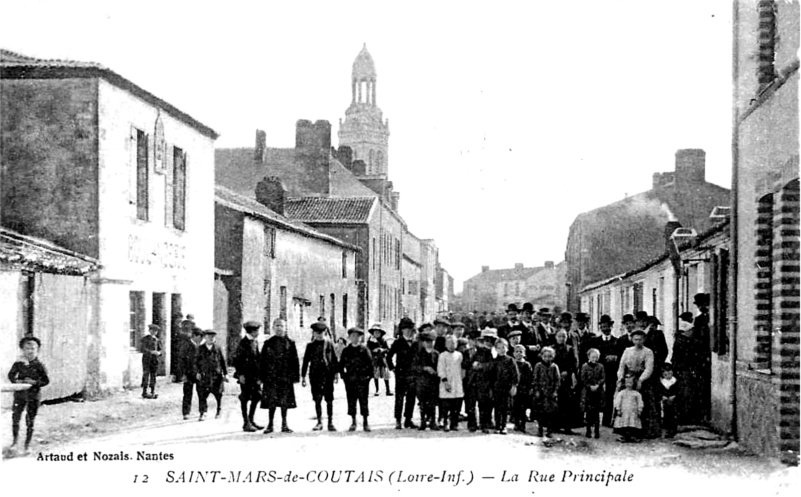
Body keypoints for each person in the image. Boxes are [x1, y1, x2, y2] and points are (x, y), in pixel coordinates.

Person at [8, 336, 49, 455]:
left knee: (30, 420)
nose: (30, 351)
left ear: (38, 350)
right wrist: (16, 381)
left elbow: (46, 381)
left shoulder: (39, 365)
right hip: (20, 394)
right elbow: (11, 375)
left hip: (33, 395)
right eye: (27, 348)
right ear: (22, 350)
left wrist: (35, 382)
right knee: (15, 418)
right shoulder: (19, 363)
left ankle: (27, 445)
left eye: (33, 348)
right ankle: (15, 442)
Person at [617, 329, 659, 438]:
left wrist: (641, 380)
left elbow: (649, 368)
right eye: (635, 339)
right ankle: (625, 430)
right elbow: (621, 366)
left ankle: (644, 431)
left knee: (644, 402)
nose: (638, 342)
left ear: (644, 339)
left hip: (642, 378)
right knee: (625, 402)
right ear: (632, 339)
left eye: (640, 339)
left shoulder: (648, 352)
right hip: (629, 377)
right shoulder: (627, 350)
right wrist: (620, 378)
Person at [260, 318, 300, 433]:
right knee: (271, 401)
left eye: (281, 326)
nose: (279, 328)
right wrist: (262, 377)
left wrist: (295, 377)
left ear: (285, 328)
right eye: (277, 325)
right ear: (273, 328)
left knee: (284, 402)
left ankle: (284, 424)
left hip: (285, 378)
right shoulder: (268, 343)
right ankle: (270, 424)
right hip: (271, 378)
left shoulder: (290, 343)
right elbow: (262, 361)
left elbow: (295, 361)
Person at [301, 322, 339, 432]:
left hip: (328, 375)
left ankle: (330, 422)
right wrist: (303, 376)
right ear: (313, 333)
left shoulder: (329, 344)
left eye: (321, 333)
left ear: (325, 332)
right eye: (317, 333)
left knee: (329, 399)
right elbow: (305, 361)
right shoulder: (310, 346)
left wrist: (336, 373)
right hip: (315, 375)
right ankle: (319, 422)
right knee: (317, 399)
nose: (319, 335)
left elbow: (334, 359)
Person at [339, 327, 373, 432]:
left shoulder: (364, 349)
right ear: (349, 337)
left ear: (361, 337)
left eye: (357, 336)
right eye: (353, 336)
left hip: (362, 380)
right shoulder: (346, 350)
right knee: (351, 401)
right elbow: (341, 365)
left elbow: (370, 365)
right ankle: (353, 422)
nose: (355, 338)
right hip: (350, 380)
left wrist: (368, 378)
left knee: (363, 400)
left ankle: (365, 422)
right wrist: (344, 377)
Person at [672, 311, 704, 424]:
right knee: (686, 394)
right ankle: (687, 418)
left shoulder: (681, 340)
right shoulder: (684, 342)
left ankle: (686, 417)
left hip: (683, 370)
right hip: (685, 371)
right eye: (691, 331)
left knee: (686, 394)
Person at [387, 317, 418, 429]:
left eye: (410, 328)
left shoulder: (416, 343)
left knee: (411, 397)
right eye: (405, 328)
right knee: (399, 397)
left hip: (413, 373)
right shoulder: (398, 342)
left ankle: (408, 419)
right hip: (401, 374)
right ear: (402, 330)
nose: (408, 331)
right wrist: (393, 368)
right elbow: (389, 356)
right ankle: (398, 420)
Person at [233, 321, 263, 432]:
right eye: (257, 331)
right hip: (245, 376)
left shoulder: (255, 342)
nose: (258, 333)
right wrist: (240, 374)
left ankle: (251, 420)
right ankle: (246, 422)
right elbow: (237, 360)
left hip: (254, 376)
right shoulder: (243, 343)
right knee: (245, 398)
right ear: (252, 331)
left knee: (257, 396)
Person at [590, 315, 619, 427]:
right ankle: (593, 420)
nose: (605, 329)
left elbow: (621, 356)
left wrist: (615, 357)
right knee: (595, 395)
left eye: (607, 326)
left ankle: (607, 421)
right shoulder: (595, 341)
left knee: (610, 395)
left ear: (611, 327)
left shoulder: (617, 341)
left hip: (612, 372)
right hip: (597, 372)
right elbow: (591, 356)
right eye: (603, 326)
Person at [195, 329, 228, 421]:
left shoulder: (218, 348)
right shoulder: (200, 348)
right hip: (204, 375)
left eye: (213, 337)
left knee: (218, 394)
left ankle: (219, 410)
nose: (211, 339)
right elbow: (196, 362)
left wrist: (225, 374)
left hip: (216, 375)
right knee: (202, 394)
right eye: (209, 337)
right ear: (205, 337)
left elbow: (223, 361)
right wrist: (197, 372)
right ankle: (203, 412)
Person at [491, 338, 519, 435]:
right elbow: (491, 375)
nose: (501, 350)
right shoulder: (494, 361)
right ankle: (497, 425)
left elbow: (515, 374)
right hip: (496, 388)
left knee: (505, 408)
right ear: (496, 349)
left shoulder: (510, 360)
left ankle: (504, 425)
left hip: (506, 388)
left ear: (507, 348)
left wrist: (514, 385)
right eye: (499, 348)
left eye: (503, 347)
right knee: (497, 407)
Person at [414, 330, 440, 431]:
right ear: (423, 343)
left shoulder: (436, 354)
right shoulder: (419, 354)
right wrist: (425, 368)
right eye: (427, 341)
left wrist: (437, 372)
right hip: (422, 381)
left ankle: (433, 421)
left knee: (433, 402)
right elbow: (414, 367)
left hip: (433, 381)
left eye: (432, 341)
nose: (430, 343)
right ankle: (423, 421)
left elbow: (441, 366)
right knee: (422, 402)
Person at [437, 335, 464, 432]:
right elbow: (441, 369)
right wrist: (445, 381)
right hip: (447, 382)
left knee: (456, 404)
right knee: (446, 404)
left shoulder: (459, 355)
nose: (451, 345)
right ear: (445, 344)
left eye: (453, 343)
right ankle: (445, 422)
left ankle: (454, 423)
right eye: (449, 343)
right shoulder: (443, 355)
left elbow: (461, 368)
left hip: (457, 382)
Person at [552, 329, 577, 434]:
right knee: (555, 402)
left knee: (566, 402)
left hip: (566, 379)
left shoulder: (570, 349)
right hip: (554, 378)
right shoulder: (551, 348)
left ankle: (567, 427)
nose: (562, 338)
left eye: (564, 336)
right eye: (560, 336)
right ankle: (554, 426)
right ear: (556, 337)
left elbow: (574, 363)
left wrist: (568, 371)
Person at [473, 328, 498, 433]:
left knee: (491, 402)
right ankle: (484, 423)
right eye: (486, 340)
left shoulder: (495, 351)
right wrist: (485, 366)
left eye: (491, 340)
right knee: (483, 403)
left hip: (494, 380)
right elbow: (476, 365)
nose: (488, 342)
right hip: (483, 381)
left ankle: (489, 421)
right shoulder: (479, 352)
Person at [532, 346, 560, 438]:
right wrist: (536, 390)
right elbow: (535, 379)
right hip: (541, 392)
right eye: (545, 356)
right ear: (542, 356)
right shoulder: (538, 366)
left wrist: (555, 391)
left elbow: (557, 380)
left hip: (551, 393)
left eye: (549, 356)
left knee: (550, 412)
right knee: (540, 411)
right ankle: (540, 429)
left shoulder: (554, 367)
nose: (547, 358)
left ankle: (549, 430)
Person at [178, 322, 202, 420]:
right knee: (187, 393)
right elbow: (181, 361)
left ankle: (202, 411)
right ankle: (186, 413)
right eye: (200, 337)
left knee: (201, 393)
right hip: (188, 374)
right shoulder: (186, 346)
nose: (201, 339)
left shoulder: (200, 346)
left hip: (199, 374)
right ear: (195, 336)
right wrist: (182, 374)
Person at [580, 348, 605, 439]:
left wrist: (598, 385)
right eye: (593, 357)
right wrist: (589, 386)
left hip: (598, 392)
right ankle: (588, 430)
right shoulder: (585, 366)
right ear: (589, 357)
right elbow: (583, 378)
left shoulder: (601, 366)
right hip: (588, 392)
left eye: (596, 357)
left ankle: (597, 431)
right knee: (588, 412)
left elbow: (603, 377)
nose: (595, 359)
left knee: (597, 412)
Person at [613, 374, 644, 443]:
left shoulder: (636, 394)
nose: (628, 384)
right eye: (627, 383)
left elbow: (640, 402)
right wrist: (618, 409)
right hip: (624, 411)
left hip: (633, 412)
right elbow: (618, 401)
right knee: (624, 424)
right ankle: (624, 436)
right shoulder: (622, 393)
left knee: (633, 424)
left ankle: (633, 436)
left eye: (630, 383)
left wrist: (639, 410)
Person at [511, 344, 533, 433]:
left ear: (524, 354)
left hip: (524, 388)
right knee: (515, 406)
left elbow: (530, 377)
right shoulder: (512, 363)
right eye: (517, 351)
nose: (519, 354)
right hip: (515, 387)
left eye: (521, 352)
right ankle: (516, 423)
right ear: (513, 353)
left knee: (523, 407)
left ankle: (522, 424)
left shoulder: (526, 364)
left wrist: (530, 387)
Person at [366, 323, 392, 396]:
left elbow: (388, 349)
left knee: (386, 375)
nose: (377, 334)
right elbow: (367, 350)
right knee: (376, 375)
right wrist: (374, 350)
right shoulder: (370, 341)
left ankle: (388, 390)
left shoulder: (383, 341)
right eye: (375, 332)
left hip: (383, 359)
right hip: (375, 360)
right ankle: (377, 390)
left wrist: (383, 349)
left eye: (378, 332)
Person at [140, 324, 162, 399]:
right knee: (146, 375)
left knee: (153, 376)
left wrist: (159, 353)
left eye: (156, 331)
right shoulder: (145, 339)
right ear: (149, 331)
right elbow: (142, 349)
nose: (154, 332)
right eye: (152, 330)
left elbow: (160, 350)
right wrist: (151, 352)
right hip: (146, 359)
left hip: (154, 360)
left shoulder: (157, 340)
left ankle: (152, 391)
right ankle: (144, 391)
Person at [658, 363, 679, 438]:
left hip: (673, 401)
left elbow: (678, 391)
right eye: (666, 374)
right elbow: (659, 391)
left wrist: (674, 396)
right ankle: (666, 431)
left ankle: (673, 431)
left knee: (673, 415)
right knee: (666, 416)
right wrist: (662, 396)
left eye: (670, 373)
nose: (668, 376)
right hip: (665, 401)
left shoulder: (675, 381)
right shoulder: (662, 382)